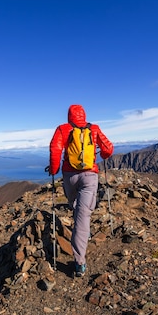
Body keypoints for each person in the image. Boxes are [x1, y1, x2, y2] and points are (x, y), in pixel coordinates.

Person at [48, 104, 114, 277]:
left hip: (70, 176)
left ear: (69, 115)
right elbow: (107, 149)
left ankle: (80, 251)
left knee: (76, 208)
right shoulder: (94, 129)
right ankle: (79, 261)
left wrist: (54, 170)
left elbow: (56, 149)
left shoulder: (63, 129)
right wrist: (104, 155)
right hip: (89, 175)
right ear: (84, 115)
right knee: (82, 215)